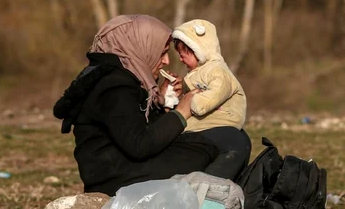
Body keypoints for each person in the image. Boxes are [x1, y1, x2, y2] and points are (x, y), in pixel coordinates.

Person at [53, 15, 221, 196]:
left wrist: (163, 105)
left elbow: (135, 129)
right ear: (141, 48)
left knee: (215, 140)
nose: (166, 61)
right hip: (115, 180)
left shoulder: (122, 78)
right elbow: (140, 144)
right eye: (162, 52)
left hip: (122, 170)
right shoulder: (112, 86)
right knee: (212, 147)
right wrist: (181, 112)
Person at [171, 19, 251, 180]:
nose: (180, 59)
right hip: (204, 125)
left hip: (220, 122)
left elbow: (209, 97)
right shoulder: (198, 72)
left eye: (183, 54)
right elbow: (192, 95)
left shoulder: (218, 71)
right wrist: (180, 95)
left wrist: (191, 101)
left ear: (198, 49)